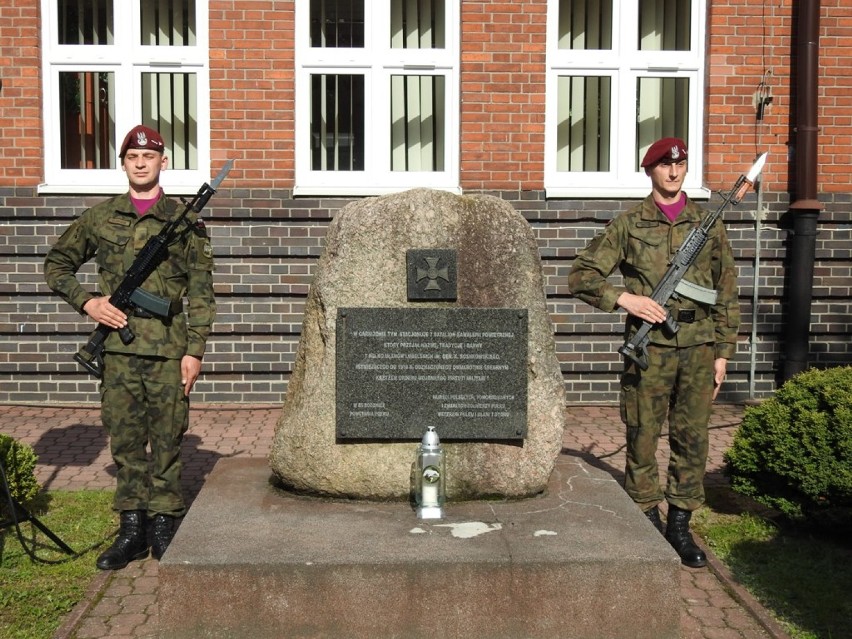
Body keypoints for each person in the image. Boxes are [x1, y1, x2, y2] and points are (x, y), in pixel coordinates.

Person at [44, 124, 216, 570]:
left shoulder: (185, 223)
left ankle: (164, 521)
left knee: (166, 440)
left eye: (149, 156)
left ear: (164, 163)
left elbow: (201, 292)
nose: (140, 163)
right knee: (124, 442)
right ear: (123, 163)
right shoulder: (100, 219)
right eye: (132, 157)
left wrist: (194, 350)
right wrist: (89, 302)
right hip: (117, 355)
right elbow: (57, 264)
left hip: (167, 352)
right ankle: (131, 527)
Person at [567, 137, 739, 568]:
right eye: (665, 166)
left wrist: (723, 353)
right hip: (651, 350)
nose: (674, 173)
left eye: (680, 166)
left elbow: (727, 290)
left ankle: (680, 523)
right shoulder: (628, 225)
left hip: (699, 349)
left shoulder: (708, 224)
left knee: (692, 436)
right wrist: (625, 299)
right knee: (643, 433)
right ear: (650, 171)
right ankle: (645, 516)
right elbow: (581, 275)